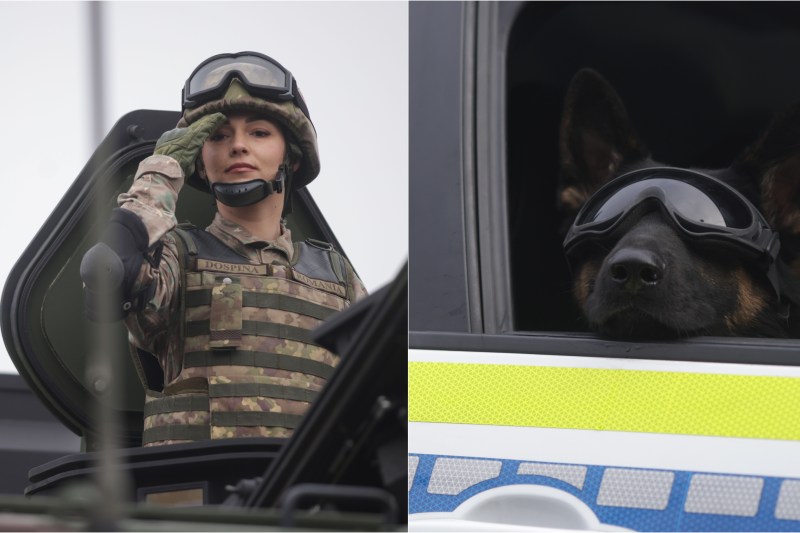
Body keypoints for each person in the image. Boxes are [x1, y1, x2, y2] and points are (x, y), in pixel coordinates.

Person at [80, 52, 367, 446]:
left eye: (259, 133)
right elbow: (110, 270)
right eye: (217, 136)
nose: (238, 146)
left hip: (308, 483)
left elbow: (382, 388)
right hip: (202, 482)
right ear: (199, 162)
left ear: (292, 158)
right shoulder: (176, 258)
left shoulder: (337, 278)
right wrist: (161, 171)